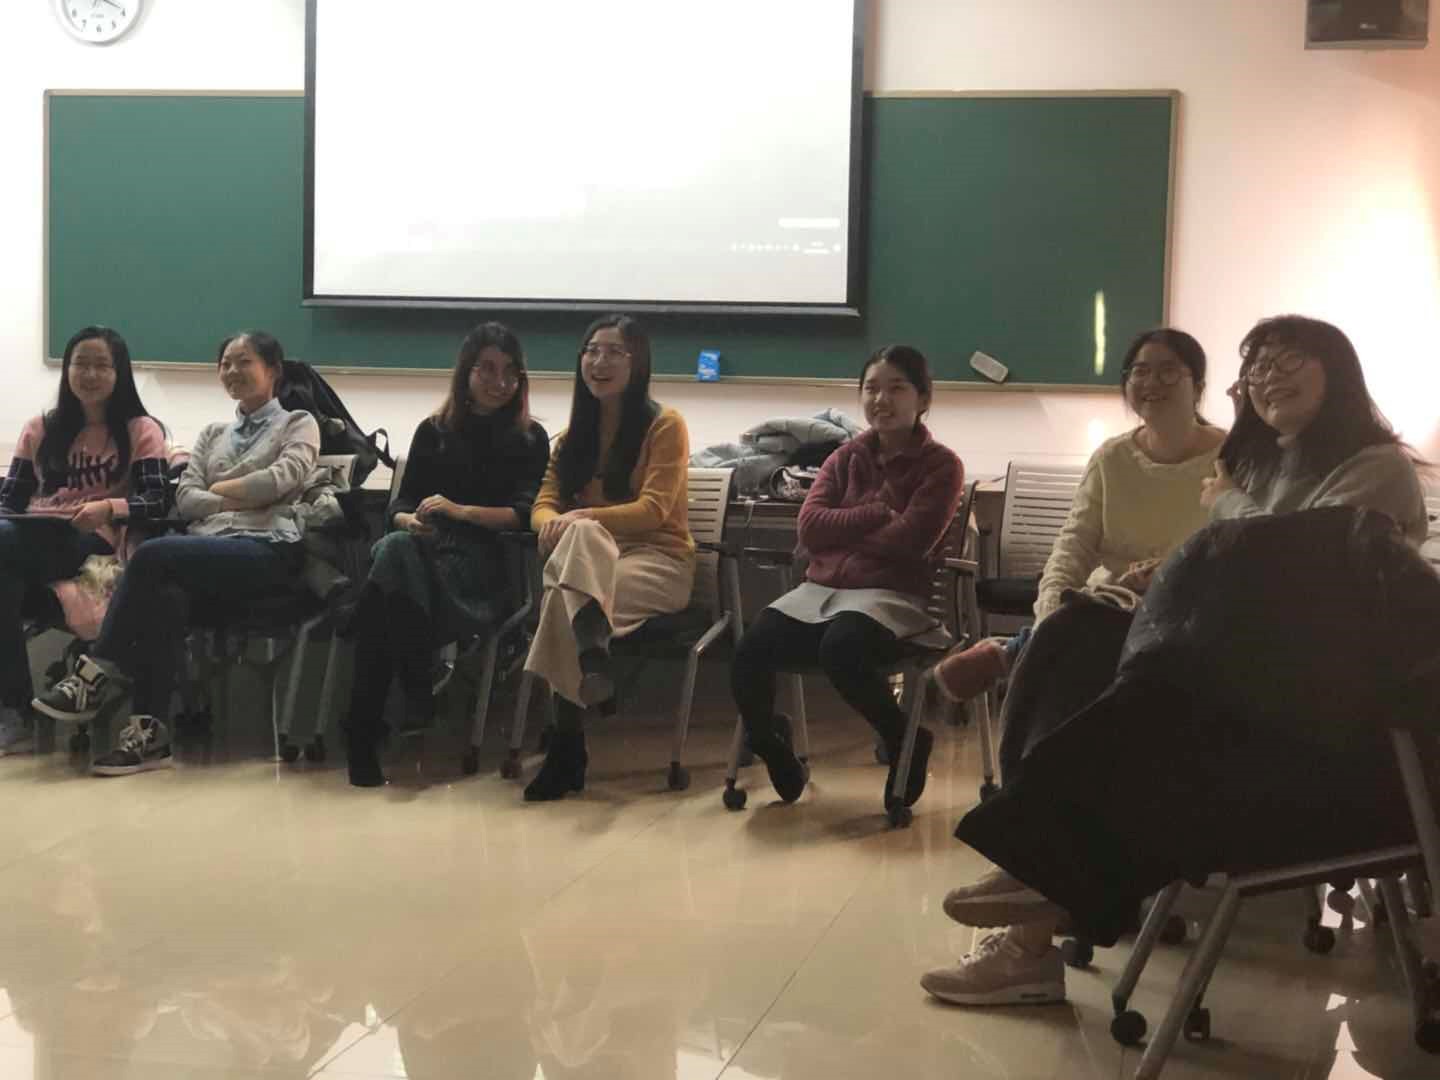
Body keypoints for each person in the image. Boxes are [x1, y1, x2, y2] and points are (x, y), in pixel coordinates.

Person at [923, 315, 1428, 1007]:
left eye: (1289, 361)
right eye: (1257, 366)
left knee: (1130, 679)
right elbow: (1217, 565)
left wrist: (1224, 503)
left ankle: (1035, 878)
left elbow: (1292, 562)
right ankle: (1034, 904)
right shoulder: (1256, 465)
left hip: (1307, 710)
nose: (1268, 377)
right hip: (1230, 673)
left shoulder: (1375, 469)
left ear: (1336, 370)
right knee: (1071, 637)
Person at [32, 331, 322, 776]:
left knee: (152, 555)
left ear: (274, 371)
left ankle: (94, 675)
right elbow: (186, 499)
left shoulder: (298, 423)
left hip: (269, 551)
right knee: (165, 595)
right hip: (209, 553)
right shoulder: (212, 434)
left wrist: (218, 489)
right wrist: (241, 497)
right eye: (225, 363)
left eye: (244, 361)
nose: (232, 371)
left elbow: (282, 479)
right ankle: (149, 734)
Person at [931, 328, 1225, 711]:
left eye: (1168, 371)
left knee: (1115, 655)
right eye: (1140, 371)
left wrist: (1171, 572)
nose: (1152, 383)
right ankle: (1031, 649)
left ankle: (1015, 651)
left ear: (1198, 385)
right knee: (1076, 646)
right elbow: (1073, 546)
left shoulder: (1231, 457)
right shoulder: (1111, 458)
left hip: (1191, 607)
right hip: (1114, 600)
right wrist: (1049, 615)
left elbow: (1240, 546)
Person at [729, 345, 964, 810]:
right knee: (749, 650)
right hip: (821, 593)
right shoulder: (844, 457)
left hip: (892, 599)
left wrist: (842, 534)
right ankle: (771, 742)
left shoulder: (941, 465)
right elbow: (810, 528)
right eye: (871, 388)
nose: (881, 399)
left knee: (841, 648)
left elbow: (909, 541)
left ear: (923, 399)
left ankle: (905, 739)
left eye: (896, 388)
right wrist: (875, 513)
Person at [344, 323, 549, 787]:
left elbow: (524, 515)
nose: (500, 381)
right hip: (424, 553)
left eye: (510, 372)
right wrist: (408, 520)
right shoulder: (433, 431)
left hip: (484, 569)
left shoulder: (530, 437)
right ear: (466, 372)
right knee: (397, 549)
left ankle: (366, 726)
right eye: (487, 369)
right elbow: (399, 505)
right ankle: (410, 693)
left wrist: (460, 511)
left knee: (384, 582)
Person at [520, 315, 694, 802]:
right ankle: (591, 651)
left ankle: (567, 748)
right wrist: (559, 523)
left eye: (615, 351)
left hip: (658, 563)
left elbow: (653, 510)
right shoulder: (571, 438)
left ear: (638, 364)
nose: (600, 361)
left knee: (564, 587)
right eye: (592, 350)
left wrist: (580, 518)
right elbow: (542, 507)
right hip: (592, 564)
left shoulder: (665, 425)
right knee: (577, 562)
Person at [0, 326, 168, 755]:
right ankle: (15, 713)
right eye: (81, 364)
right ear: (67, 370)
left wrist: (110, 508)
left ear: (119, 372)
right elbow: (10, 500)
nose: (89, 374)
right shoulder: (40, 428)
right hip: (28, 535)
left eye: (101, 365)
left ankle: (15, 714)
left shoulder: (140, 430)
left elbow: (157, 500)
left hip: (89, 538)